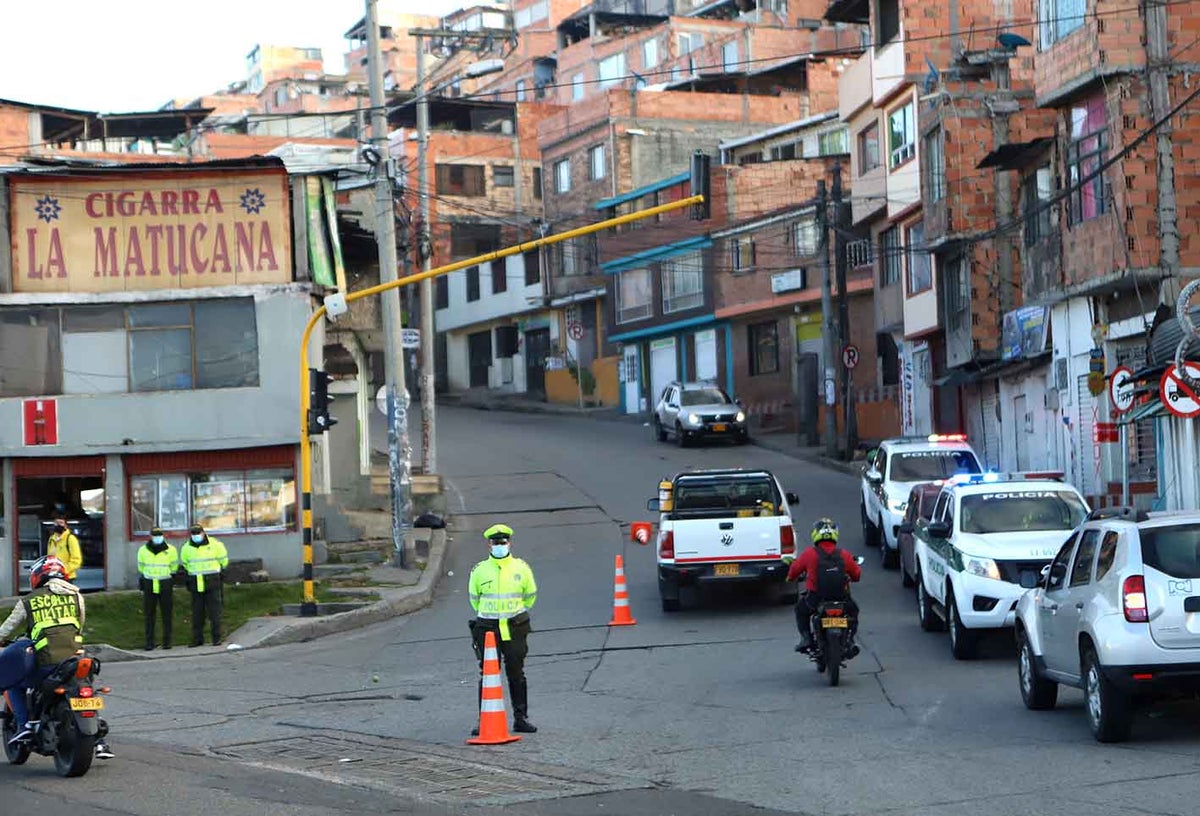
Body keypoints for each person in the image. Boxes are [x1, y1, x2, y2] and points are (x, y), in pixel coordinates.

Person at [0, 556, 114, 759]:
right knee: (85, 687)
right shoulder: (76, 596)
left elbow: (6, 630)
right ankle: (98, 738)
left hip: (46, 663)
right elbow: (80, 623)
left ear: (37, 577)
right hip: (75, 661)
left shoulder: (29, 600)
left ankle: (25, 724)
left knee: (14, 683)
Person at [467, 523, 538, 735]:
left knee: (516, 672)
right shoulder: (479, 570)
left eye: (503, 542)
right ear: (489, 545)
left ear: (510, 543)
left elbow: (530, 595)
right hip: (487, 628)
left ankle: (520, 718)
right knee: (488, 673)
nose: (500, 545)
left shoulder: (521, 568)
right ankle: (484, 720)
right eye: (496, 542)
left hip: (515, 625)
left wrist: (512, 612)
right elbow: (474, 600)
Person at [786, 518, 862, 655]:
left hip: (816, 598)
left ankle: (806, 639)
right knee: (854, 612)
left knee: (800, 610)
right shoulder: (844, 554)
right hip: (842, 599)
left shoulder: (809, 554)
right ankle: (850, 640)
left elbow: (794, 571)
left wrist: (790, 578)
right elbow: (856, 575)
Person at [180, 524, 229, 647]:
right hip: (196, 583)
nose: (196, 536)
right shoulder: (186, 548)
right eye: (193, 533)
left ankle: (216, 638)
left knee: (215, 613)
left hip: (212, 582)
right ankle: (197, 639)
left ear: (203, 533)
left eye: (198, 533)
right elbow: (185, 564)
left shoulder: (215, 545)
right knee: (197, 614)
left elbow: (224, 561)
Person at [138, 527, 180, 651]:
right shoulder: (143, 550)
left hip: (165, 583)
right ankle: (149, 642)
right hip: (149, 583)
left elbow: (174, 567)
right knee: (149, 615)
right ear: (150, 536)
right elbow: (141, 567)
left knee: (167, 614)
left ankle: (167, 642)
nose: (157, 537)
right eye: (155, 535)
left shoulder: (171, 550)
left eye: (159, 535)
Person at [46, 516, 82, 582]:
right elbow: (49, 557)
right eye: (56, 523)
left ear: (65, 526)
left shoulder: (71, 539)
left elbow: (76, 561)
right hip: (54, 576)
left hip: (67, 576)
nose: (58, 525)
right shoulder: (51, 539)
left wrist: (63, 570)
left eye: (61, 523)